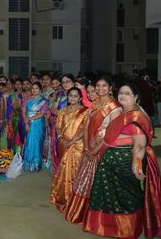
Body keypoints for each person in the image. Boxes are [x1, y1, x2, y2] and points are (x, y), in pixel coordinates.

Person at [83, 83, 161, 238]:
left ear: (135, 97)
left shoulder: (136, 116)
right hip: (110, 163)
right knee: (111, 197)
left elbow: (139, 146)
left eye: (127, 93)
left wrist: (137, 167)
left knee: (127, 196)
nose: (122, 95)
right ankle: (112, 227)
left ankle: (127, 229)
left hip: (124, 163)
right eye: (121, 92)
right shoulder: (123, 112)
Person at [64, 76, 121, 225]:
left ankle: (98, 219)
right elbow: (86, 126)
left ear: (110, 88)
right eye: (98, 86)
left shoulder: (115, 106)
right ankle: (82, 212)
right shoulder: (94, 103)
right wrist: (87, 146)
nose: (100, 88)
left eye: (104, 86)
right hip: (89, 145)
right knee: (84, 180)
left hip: (103, 148)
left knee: (100, 182)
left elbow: (112, 132)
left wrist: (95, 149)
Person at [49, 87, 89, 212]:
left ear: (81, 98)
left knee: (75, 171)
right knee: (64, 170)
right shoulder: (63, 110)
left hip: (77, 145)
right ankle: (63, 197)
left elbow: (84, 130)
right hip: (63, 144)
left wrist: (72, 141)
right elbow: (58, 126)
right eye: (70, 95)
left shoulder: (85, 112)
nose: (73, 98)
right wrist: (61, 138)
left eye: (75, 96)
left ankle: (75, 201)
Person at [22, 82, 49, 172]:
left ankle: (36, 165)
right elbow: (23, 111)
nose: (34, 90)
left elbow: (42, 114)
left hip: (38, 123)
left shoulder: (44, 101)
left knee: (37, 143)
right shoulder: (27, 99)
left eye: (36, 88)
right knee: (29, 142)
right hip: (28, 122)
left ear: (40, 90)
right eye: (33, 88)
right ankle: (28, 164)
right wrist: (26, 122)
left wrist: (30, 119)